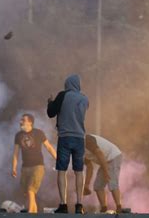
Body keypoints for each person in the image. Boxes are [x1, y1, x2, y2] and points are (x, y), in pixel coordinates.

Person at [47, 74, 89, 214]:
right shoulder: (85, 98)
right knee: (79, 172)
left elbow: (51, 113)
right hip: (79, 138)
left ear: (67, 84)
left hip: (65, 137)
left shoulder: (62, 95)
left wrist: (50, 102)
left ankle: (63, 205)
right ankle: (79, 205)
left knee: (62, 170)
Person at [11, 113, 57, 213]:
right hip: (25, 168)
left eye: (23, 120)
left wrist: (57, 159)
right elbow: (15, 153)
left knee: (30, 189)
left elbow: (48, 147)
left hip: (38, 166)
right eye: (21, 120)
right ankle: (34, 212)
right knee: (28, 193)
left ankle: (30, 213)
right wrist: (14, 168)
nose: (20, 122)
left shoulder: (38, 133)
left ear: (30, 122)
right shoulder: (18, 135)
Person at [83, 134, 124, 213]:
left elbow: (100, 154)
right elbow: (89, 168)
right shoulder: (79, 151)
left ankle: (119, 207)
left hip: (113, 156)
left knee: (111, 182)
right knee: (98, 186)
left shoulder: (86, 140)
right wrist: (86, 185)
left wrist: (105, 171)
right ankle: (104, 208)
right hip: (105, 161)